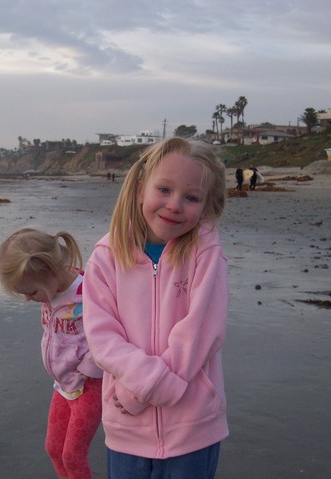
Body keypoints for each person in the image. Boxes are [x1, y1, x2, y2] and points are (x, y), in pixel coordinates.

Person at [83, 137, 229, 479]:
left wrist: (141, 390)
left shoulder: (205, 253)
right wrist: (143, 387)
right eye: (163, 189)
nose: (174, 204)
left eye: (191, 197)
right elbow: (103, 338)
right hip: (126, 428)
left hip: (192, 426)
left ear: (207, 205)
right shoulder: (105, 257)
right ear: (139, 189)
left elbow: (201, 333)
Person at [0, 228, 102, 479]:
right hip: (63, 384)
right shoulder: (49, 292)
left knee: (72, 456)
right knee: (53, 449)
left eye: (31, 292)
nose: (28, 299)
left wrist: (87, 369)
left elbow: (109, 335)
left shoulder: (88, 294)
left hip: (89, 387)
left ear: (52, 273)